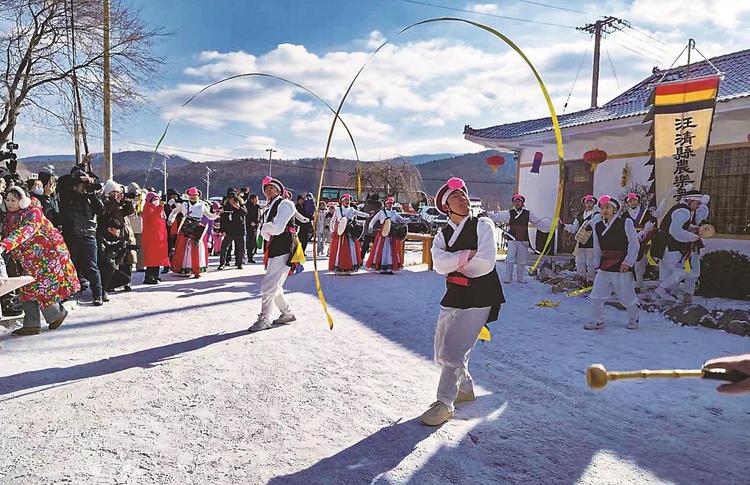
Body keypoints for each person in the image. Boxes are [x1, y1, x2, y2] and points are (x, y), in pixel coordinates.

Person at [421, 177, 505, 426]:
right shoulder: (442, 235)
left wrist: (454, 262)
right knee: (441, 348)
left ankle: (444, 403)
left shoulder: (483, 225)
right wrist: (467, 255)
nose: (463, 199)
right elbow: (438, 264)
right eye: (456, 197)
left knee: (454, 348)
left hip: (481, 295)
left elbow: (485, 264)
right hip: (454, 294)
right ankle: (465, 389)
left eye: (464, 195)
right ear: (446, 206)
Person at [1, 186, 79, 336]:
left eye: (13, 200)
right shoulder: (10, 217)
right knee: (27, 287)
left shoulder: (33, 213)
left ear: (23, 201)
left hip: (49, 255)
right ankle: (32, 324)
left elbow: (25, 231)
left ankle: (56, 314)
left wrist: (5, 245)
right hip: (31, 259)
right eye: (7, 200)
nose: (9, 203)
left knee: (42, 287)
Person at [584, 195, 640, 331]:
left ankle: (634, 318)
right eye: (602, 208)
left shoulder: (625, 222)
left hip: (621, 264)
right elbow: (597, 246)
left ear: (615, 209)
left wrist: (629, 261)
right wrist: (596, 263)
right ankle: (597, 321)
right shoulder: (597, 225)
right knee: (596, 294)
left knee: (626, 296)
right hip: (605, 265)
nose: (604, 210)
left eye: (608, 207)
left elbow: (634, 243)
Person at [249, 176, 297, 332]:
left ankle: (264, 319)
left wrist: (264, 228)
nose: (268, 190)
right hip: (275, 246)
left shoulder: (285, 203)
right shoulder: (270, 207)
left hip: (283, 247)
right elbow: (269, 233)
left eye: (272, 188)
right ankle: (287, 313)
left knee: (269, 284)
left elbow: (277, 229)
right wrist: (267, 230)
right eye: (266, 188)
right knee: (274, 285)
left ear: (279, 190)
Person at [60, 168, 105, 305]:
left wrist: (91, 193)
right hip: (72, 236)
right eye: (80, 184)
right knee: (69, 266)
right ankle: (67, 292)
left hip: (89, 236)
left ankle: (98, 294)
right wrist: (82, 177)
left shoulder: (91, 197)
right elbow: (63, 183)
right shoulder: (69, 196)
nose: (83, 187)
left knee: (92, 267)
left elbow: (101, 210)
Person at [654, 190, 709, 303]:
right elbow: (675, 230)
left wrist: (691, 228)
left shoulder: (681, 209)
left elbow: (679, 225)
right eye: (697, 203)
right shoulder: (683, 211)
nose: (698, 206)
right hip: (669, 245)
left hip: (665, 244)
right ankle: (662, 289)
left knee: (671, 270)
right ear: (690, 200)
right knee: (682, 270)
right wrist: (691, 237)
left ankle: (666, 295)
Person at [487, 193, 551, 283]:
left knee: (522, 260)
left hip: (524, 239)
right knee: (510, 259)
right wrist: (488, 214)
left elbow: (538, 222)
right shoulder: (510, 213)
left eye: (519, 201)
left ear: (522, 203)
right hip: (512, 238)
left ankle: (520, 278)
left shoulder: (528, 213)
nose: (517, 203)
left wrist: (548, 227)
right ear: (513, 203)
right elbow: (498, 217)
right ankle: (508, 278)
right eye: (515, 201)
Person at [167, 187, 219, 278]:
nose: (193, 197)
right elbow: (175, 211)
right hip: (186, 226)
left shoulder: (202, 205)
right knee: (183, 247)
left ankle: (196, 270)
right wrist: (170, 219)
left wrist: (217, 214)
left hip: (197, 228)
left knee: (196, 248)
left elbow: (210, 216)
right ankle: (182, 269)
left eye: (194, 195)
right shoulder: (184, 204)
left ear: (198, 195)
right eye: (191, 195)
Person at [622, 192, 657, 290]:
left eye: (634, 201)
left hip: (645, 238)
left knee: (641, 261)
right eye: (631, 201)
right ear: (628, 203)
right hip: (630, 239)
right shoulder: (625, 215)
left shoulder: (645, 212)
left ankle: (639, 282)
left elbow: (650, 224)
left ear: (638, 201)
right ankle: (633, 282)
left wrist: (643, 233)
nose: (633, 203)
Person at [366, 196, 409, 274]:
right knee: (382, 249)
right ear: (385, 204)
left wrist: (409, 219)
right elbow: (373, 220)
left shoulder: (394, 213)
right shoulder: (381, 212)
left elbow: (402, 220)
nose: (390, 205)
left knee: (391, 250)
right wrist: (370, 227)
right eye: (388, 203)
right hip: (383, 234)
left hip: (392, 234)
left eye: (391, 203)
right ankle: (381, 266)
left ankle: (389, 267)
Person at [563, 195, 600, 284]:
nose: (589, 204)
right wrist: (564, 226)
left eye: (591, 203)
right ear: (584, 204)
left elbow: (594, 223)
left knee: (590, 263)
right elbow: (574, 228)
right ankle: (581, 278)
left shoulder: (597, 215)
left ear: (594, 204)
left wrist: (589, 225)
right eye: (587, 202)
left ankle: (591, 280)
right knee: (580, 262)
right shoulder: (579, 216)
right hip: (581, 242)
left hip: (591, 242)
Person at [328, 194, 368, 274]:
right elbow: (332, 221)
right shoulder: (338, 210)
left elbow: (361, 214)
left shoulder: (352, 209)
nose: (347, 201)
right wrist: (332, 231)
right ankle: (339, 266)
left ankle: (350, 266)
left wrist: (369, 215)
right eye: (345, 200)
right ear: (342, 201)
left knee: (351, 248)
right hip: (340, 231)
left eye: (348, 200)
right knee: (339, 248)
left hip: (350, 231)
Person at [141, 192, 170, 284]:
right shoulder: (148, 207)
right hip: (151, 237)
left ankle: (155, 275)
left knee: (157, 258)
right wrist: (160, 206)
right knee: (152, 258)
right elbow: (153, 217)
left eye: (157, 199)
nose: (156, 201)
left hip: (159, 237)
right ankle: (149, 277)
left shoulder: (158, 208)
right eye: (154, 200)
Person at [218, 190, 247, 270]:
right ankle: (222, 263)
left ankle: (239, 263)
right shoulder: (225, 205)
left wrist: (238, 207)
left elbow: (245, 213)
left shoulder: (240, 203)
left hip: (239, 230)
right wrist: (222, 230)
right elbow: (222, 219)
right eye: (230, 198)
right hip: (229, 230)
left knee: (240, 248)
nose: (232, 200)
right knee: (224, 247)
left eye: (233, 198)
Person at [246, 194, 261, 263]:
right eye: (255, 199)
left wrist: (258, 222)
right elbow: (247, 216)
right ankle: (250, 257)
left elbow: (259, 216)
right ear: (252, 199)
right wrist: (251, 222)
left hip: (256, 226)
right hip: (249, 226)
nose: (257, 200)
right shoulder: (248, 206)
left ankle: (251, 255)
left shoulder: (257, 207)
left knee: (253, 242)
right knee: (250, 242)